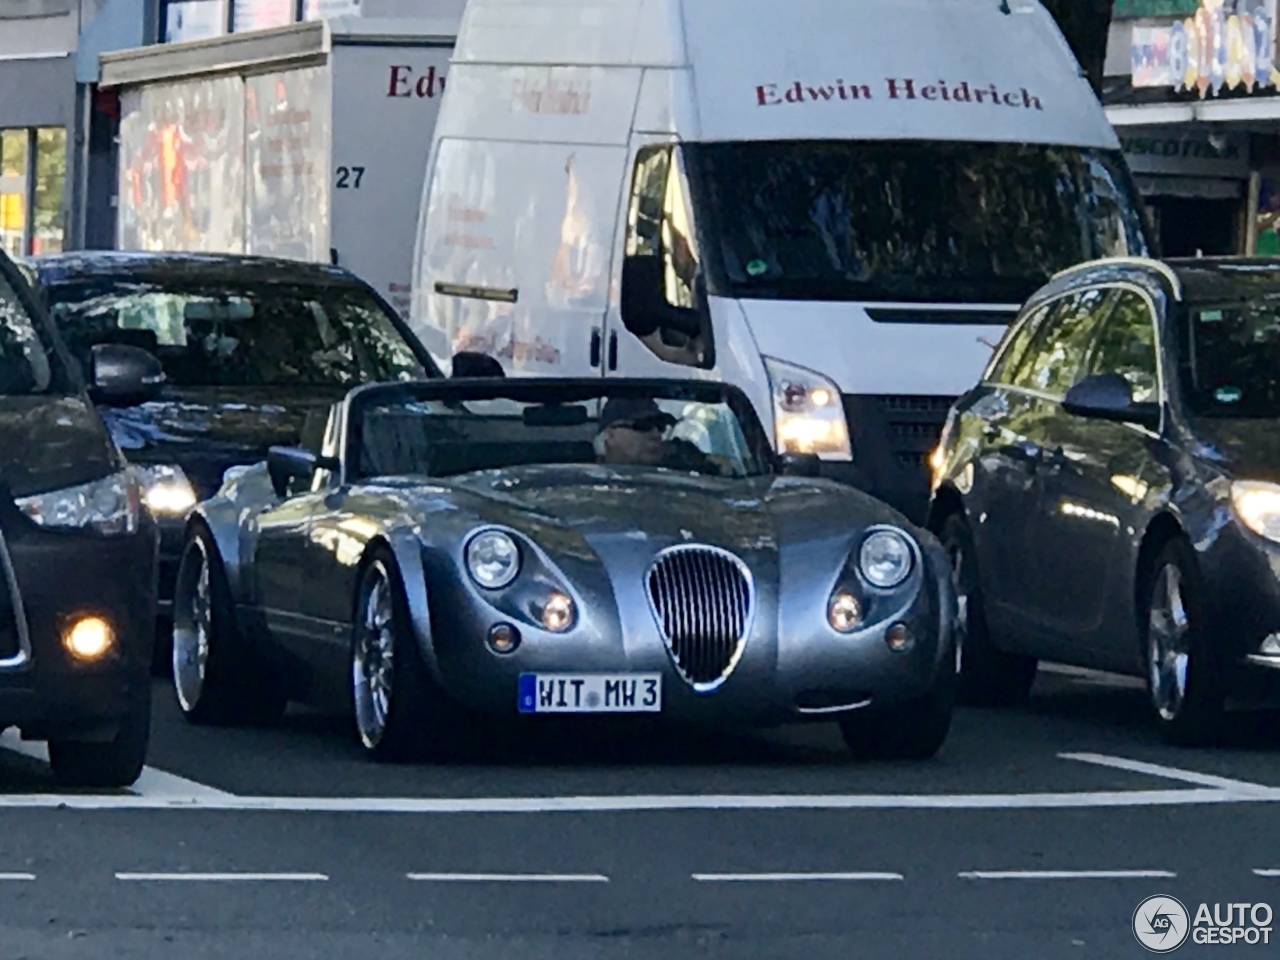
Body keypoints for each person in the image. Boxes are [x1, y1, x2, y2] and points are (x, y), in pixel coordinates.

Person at [594, 396, 720, 473]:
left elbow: (723, 467)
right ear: (609, 435)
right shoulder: (579, 471)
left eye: (660, 426)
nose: (656, 435)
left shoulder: (683, 466)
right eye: (644, 425)